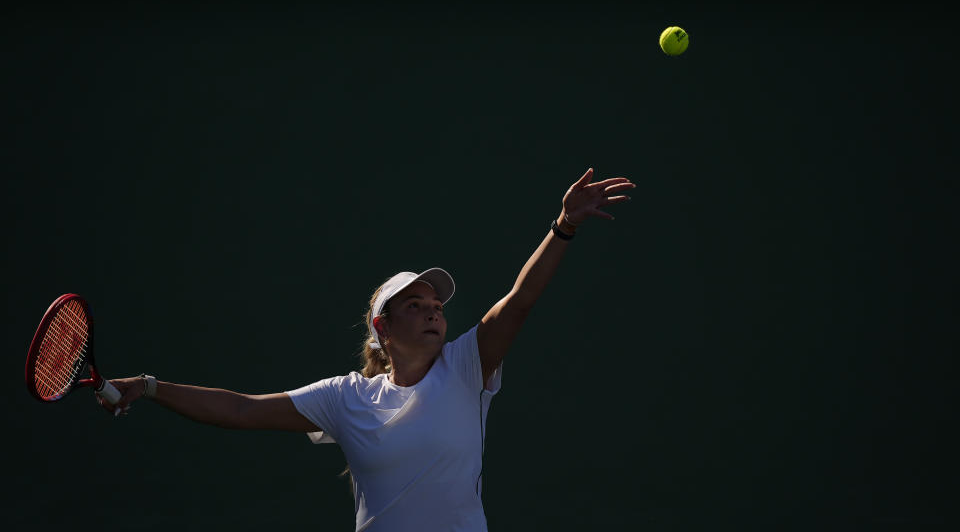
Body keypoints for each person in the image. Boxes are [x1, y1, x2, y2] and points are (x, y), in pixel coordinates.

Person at [101, 167, 634, 531]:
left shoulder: (468, 364)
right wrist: (150, 387)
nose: (432, 310)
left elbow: (518, 303)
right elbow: (241, 409)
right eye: (414, 304)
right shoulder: (344, 398)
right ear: (382, 327)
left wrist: (563, 228)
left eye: (436, 304)